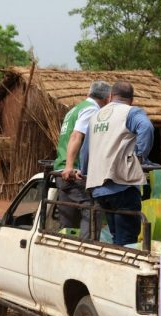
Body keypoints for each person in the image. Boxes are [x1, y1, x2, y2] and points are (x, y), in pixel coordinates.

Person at [63, 81, 153, 246]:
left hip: (100, 190)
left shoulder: (96, 116)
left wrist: (85, 172)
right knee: (127, 241)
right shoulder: (131, 112)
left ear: (111, 96)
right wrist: (139, 157)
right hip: (123, 186)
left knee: (116, 237)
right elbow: (146, 128)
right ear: (131, 100)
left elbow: (85, 150)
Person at [53, 80, 111, 239]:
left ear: (88, 93)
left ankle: (66, 246)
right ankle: (87, 248)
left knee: (68, 217)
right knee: (93, 208)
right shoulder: (91, 110)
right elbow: (76, 135)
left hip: (61, 170)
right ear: (107, 99)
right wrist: (70, 166)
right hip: (73, 172)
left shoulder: (75, 109)